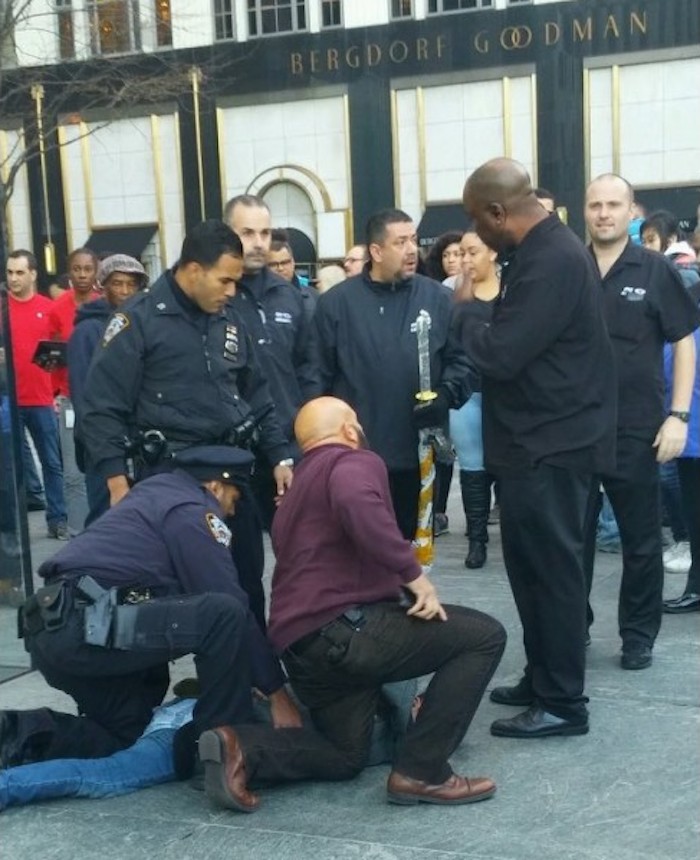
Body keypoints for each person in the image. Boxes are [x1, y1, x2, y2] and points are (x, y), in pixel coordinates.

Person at [198, 397, 506, 811]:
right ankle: (423, 771)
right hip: (343, 630)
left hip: (301, 646)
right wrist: (413, 576)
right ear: (349, 429)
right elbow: (356, 501)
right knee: (482, 637)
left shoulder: (297, 486)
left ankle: (242, 748)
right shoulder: (352, 460)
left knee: (344, 754)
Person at [3, 446, 299, 774]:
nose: (231, 510)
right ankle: (223, 753)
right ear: (215, 486)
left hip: (51, 631)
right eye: (233, 499)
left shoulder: (151, 494)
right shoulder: (192, 510)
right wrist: (277, 693)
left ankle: (13, 736)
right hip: (85, 625)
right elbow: (230, 603)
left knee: (124, 732)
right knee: (224, 613)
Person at [461, 158, 617, 738]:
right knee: (531, 574)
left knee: (552, 575)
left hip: (552, 445)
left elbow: (503, 353)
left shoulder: (552, 259)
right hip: (535, 443)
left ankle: (563, 702)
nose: (478, 232)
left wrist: (465, 315)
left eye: (479, 220)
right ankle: (544, 675)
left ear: (499, 212)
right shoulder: (539, 252)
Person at [79, 221, 294, 630]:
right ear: (194, 269)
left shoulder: (230, 319)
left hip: (231, 475)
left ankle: (250, 665)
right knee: (173, 597)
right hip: (171, 479)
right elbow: (101, 407)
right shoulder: (138, 320)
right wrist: (117, 483)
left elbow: (257, 393)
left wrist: (280, 455)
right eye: (225, 280)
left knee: (246, 587)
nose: (232, 290)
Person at [583, 174, 700, 670]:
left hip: (638, 425)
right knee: (571, 541)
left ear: (631, 211)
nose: (604, 213)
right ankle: (573, 627)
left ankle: (637, 635)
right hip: (575, 429)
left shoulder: (655, 269)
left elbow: (684, 341)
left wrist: (678, 416)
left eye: (614, 204)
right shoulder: (569, 268)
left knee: (641, 539)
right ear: (584, 211)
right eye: (595, 205)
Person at [313, 208, 470, 540]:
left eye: (413, 240)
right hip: (355, 457)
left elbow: (462, 361)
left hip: (417, 454)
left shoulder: (439, 299)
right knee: (359, 549)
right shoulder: (337, 304)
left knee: (409, 553)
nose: (412, 250)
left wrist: (446, 395)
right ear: (376, 251)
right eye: (400, 242)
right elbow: (317, 377)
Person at [224, 195, 318, 529]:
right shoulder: (217, 295)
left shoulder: (288, 294)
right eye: (248, 233)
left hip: (289, 444)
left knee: (298, 542)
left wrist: (308, 426)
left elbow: (308, 367)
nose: (258, 243)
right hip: (235, 448)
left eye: (264, 233)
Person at [67, 254, 147, 526]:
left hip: (139, 439)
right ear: (103, 286)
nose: (124, 291)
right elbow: (83, 394)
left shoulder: (142, 325)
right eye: (117, 283)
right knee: (105, 518)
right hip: (101, 442)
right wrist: (97, 443)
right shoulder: (87, 331)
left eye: (131, 284)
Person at [5, 250, 69, 540]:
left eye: (19, 272)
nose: (13, 278)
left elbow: (61, 351)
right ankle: (14, 524)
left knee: (52, 463)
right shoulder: (2, 309)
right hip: (8, 400)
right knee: (11, 466)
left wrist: (58, 391)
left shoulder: (49, 308)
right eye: (10, 272)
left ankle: (58, 519)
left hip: (42, 399)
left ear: (33, 274)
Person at [449, 230, 500, 569]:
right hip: (468, 394)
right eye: (461, 253)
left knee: (509, 467)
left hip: (506, 396)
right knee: (472, 468)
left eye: (472, 252)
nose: (465, 260)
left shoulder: (512, 295)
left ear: (492, 252)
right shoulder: (457, 301)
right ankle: (477, 540)